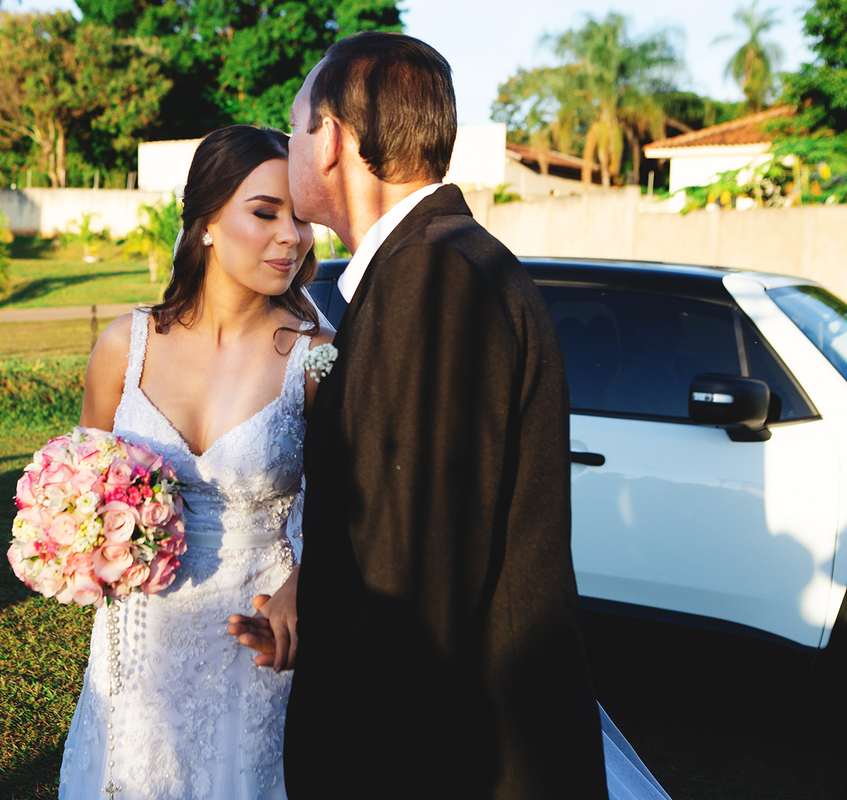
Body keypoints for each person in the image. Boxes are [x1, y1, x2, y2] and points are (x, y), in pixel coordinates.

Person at [228, 31, 619, 799]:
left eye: (297, 124)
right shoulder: (436, 264)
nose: (292, 144)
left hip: (448, 760)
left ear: (333, 140)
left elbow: (416, 577)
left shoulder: (431, 277)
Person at [56, 124, 334, 799]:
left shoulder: (317, 356)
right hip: (140, 628)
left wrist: (308, 583)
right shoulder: (126, 345)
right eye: (264, 213)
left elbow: (349, 507)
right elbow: (78, 486)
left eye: (299, 219)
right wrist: (74, 543)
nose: (289, 237)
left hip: (257, 632)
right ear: (206, 222)